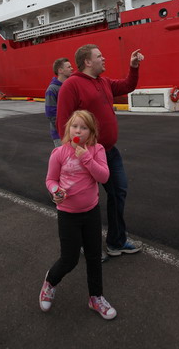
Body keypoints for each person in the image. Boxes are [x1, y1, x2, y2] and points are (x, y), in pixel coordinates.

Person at [56, 44, 144, 257]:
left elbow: (127, 86)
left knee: (118, 193)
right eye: (99, 56)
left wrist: (133, 66)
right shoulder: (72, 85)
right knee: (84, 203)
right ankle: (89, 246)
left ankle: (116, 242)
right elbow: (63, 124)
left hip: (109, 152)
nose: (104, 59)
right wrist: (76, 154)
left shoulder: (103, 82)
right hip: (84, 155)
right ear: (87, 61)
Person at [39, 110, 117, 320]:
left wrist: (87, 158)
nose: (78, 131)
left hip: (91, 212)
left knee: (93, 257)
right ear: (68, 129)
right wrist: (56, 192)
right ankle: (51, 281)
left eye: (84, 128)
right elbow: (50, 180)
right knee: (69, 259)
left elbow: (104, 175)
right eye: (75, 126)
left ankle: (96, 297)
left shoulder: (96, 149)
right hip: (68, 215)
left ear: (91, 132)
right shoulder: (60, 153)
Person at [45, 58, 73, 147]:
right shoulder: (52, 89)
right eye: (69, 67)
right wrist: (65, 129)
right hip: (60, 135)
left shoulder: (70, 86)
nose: (72, 68)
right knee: (66, 159)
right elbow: (51, 114)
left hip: (73, 131)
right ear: (60, 70)